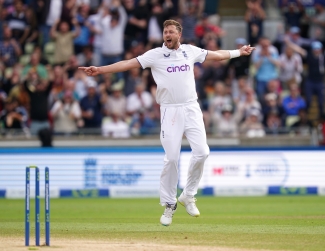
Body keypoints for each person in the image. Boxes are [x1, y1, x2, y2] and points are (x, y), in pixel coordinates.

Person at [78, 19, 254, 226]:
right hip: (169, 110)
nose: (167, 35)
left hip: (191, 107)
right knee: (171, 158)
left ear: (179, 33)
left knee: (203, 152)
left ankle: (188, 195)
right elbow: (128, 64)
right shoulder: (155, 54)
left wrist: (238, 52)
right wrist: (100, 70)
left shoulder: (190, 50)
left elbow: (216, 56)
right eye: (165, 32)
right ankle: (169, 204)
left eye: (171, 32)